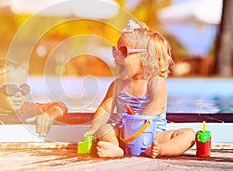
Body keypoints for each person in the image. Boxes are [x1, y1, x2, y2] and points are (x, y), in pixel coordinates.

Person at [83, 20, 195, 158]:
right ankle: (116, 149)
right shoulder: (118, 84)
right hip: (124, 136)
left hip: (152, 136)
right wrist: (93, 128)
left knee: (188, 134)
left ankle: (161, 149)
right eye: (115, 51)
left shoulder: (155, 82)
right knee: (105, 129)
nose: (117, 56)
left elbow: (157, 106)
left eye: (124, 51)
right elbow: (105, 109)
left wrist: (135, 122)